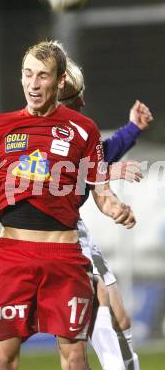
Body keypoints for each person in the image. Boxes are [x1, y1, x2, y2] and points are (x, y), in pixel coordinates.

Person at [0, 40, 136, 370]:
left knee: (75, 358)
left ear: (60, 81)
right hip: (13, 258)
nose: (33, 84)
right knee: (2, 358)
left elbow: (102, 193)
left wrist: (116, 207)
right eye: (27, 74)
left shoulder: (84, 130)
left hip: (64, 260)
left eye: (42, 76)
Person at [58, 56, 153, 370]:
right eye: (77, 96)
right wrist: (110, 171)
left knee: (118, 318)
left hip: (76, 231)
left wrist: (132, 129)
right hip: (53, 236)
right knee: (82, 335)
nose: (83, 101)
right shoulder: (40, 132)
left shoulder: (82, 132)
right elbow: (57, 176)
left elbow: (101, 155)